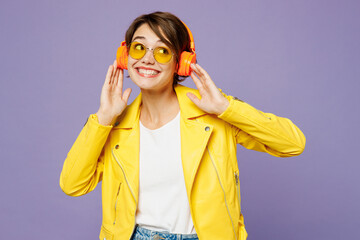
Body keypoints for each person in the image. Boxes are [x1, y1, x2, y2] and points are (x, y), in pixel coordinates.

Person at [60, 11, 306, 240]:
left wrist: (227, 109)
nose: (147, 58)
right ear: (125, 56)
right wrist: (103, 119)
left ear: (181, 63)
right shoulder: (114, 125)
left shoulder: (213, 115)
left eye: (162, 51)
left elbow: (292, 144)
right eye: (138, 47)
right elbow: (73, 184)